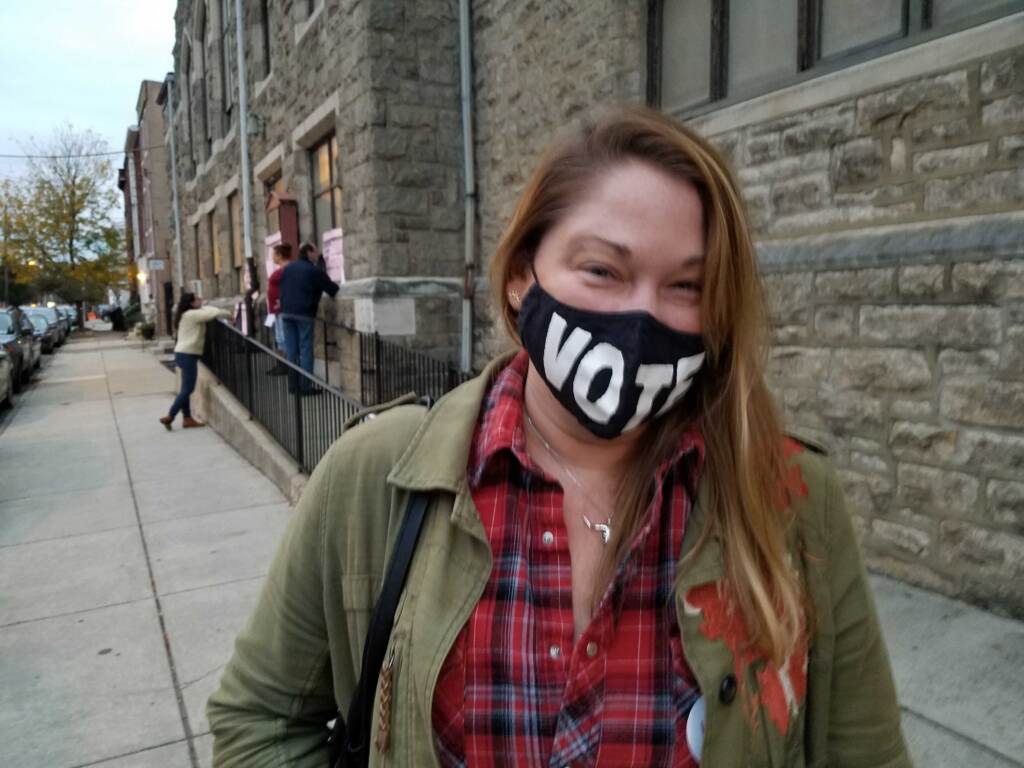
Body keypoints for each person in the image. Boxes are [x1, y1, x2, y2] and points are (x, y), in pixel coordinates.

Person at [207, 108, 911, 767]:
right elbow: (260, 721)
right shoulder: (376, 476)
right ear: (522, 276)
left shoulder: (791, 500)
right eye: (603, 270)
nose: (642, 316)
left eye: (687, 288)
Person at [160, 292, 230, 430]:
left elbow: (208, 312)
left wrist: (204, 307)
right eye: (198, 299)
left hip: (182, 353)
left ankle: (187, 419)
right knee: (188, 389)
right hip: (187, 355)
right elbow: (214, 313)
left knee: (184, 390)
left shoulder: (186, 314)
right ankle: (170, 416)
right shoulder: (192, 314)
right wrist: (228, 314)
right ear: (191, 303)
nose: (201, 300)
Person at [278, 241, 339, 394]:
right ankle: (305, 387)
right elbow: (332, 289)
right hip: (304, 313)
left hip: (286, 313)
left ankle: (293, 386)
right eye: (316, 252)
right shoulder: (313, 271)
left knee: (291, 350)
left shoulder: (288, 268)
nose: (317, 255)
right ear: (309, 252)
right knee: (306, 349)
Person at [265, 242, 293, 375]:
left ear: (280, 255)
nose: (272, 258)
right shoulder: (282, 269)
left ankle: (285, 365)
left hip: (281, 308)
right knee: (279, 337)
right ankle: (281, 364)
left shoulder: (286, 269)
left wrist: (280, 303)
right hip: (276, 310)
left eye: (274, 255)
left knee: (283, 338)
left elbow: (288, 288)